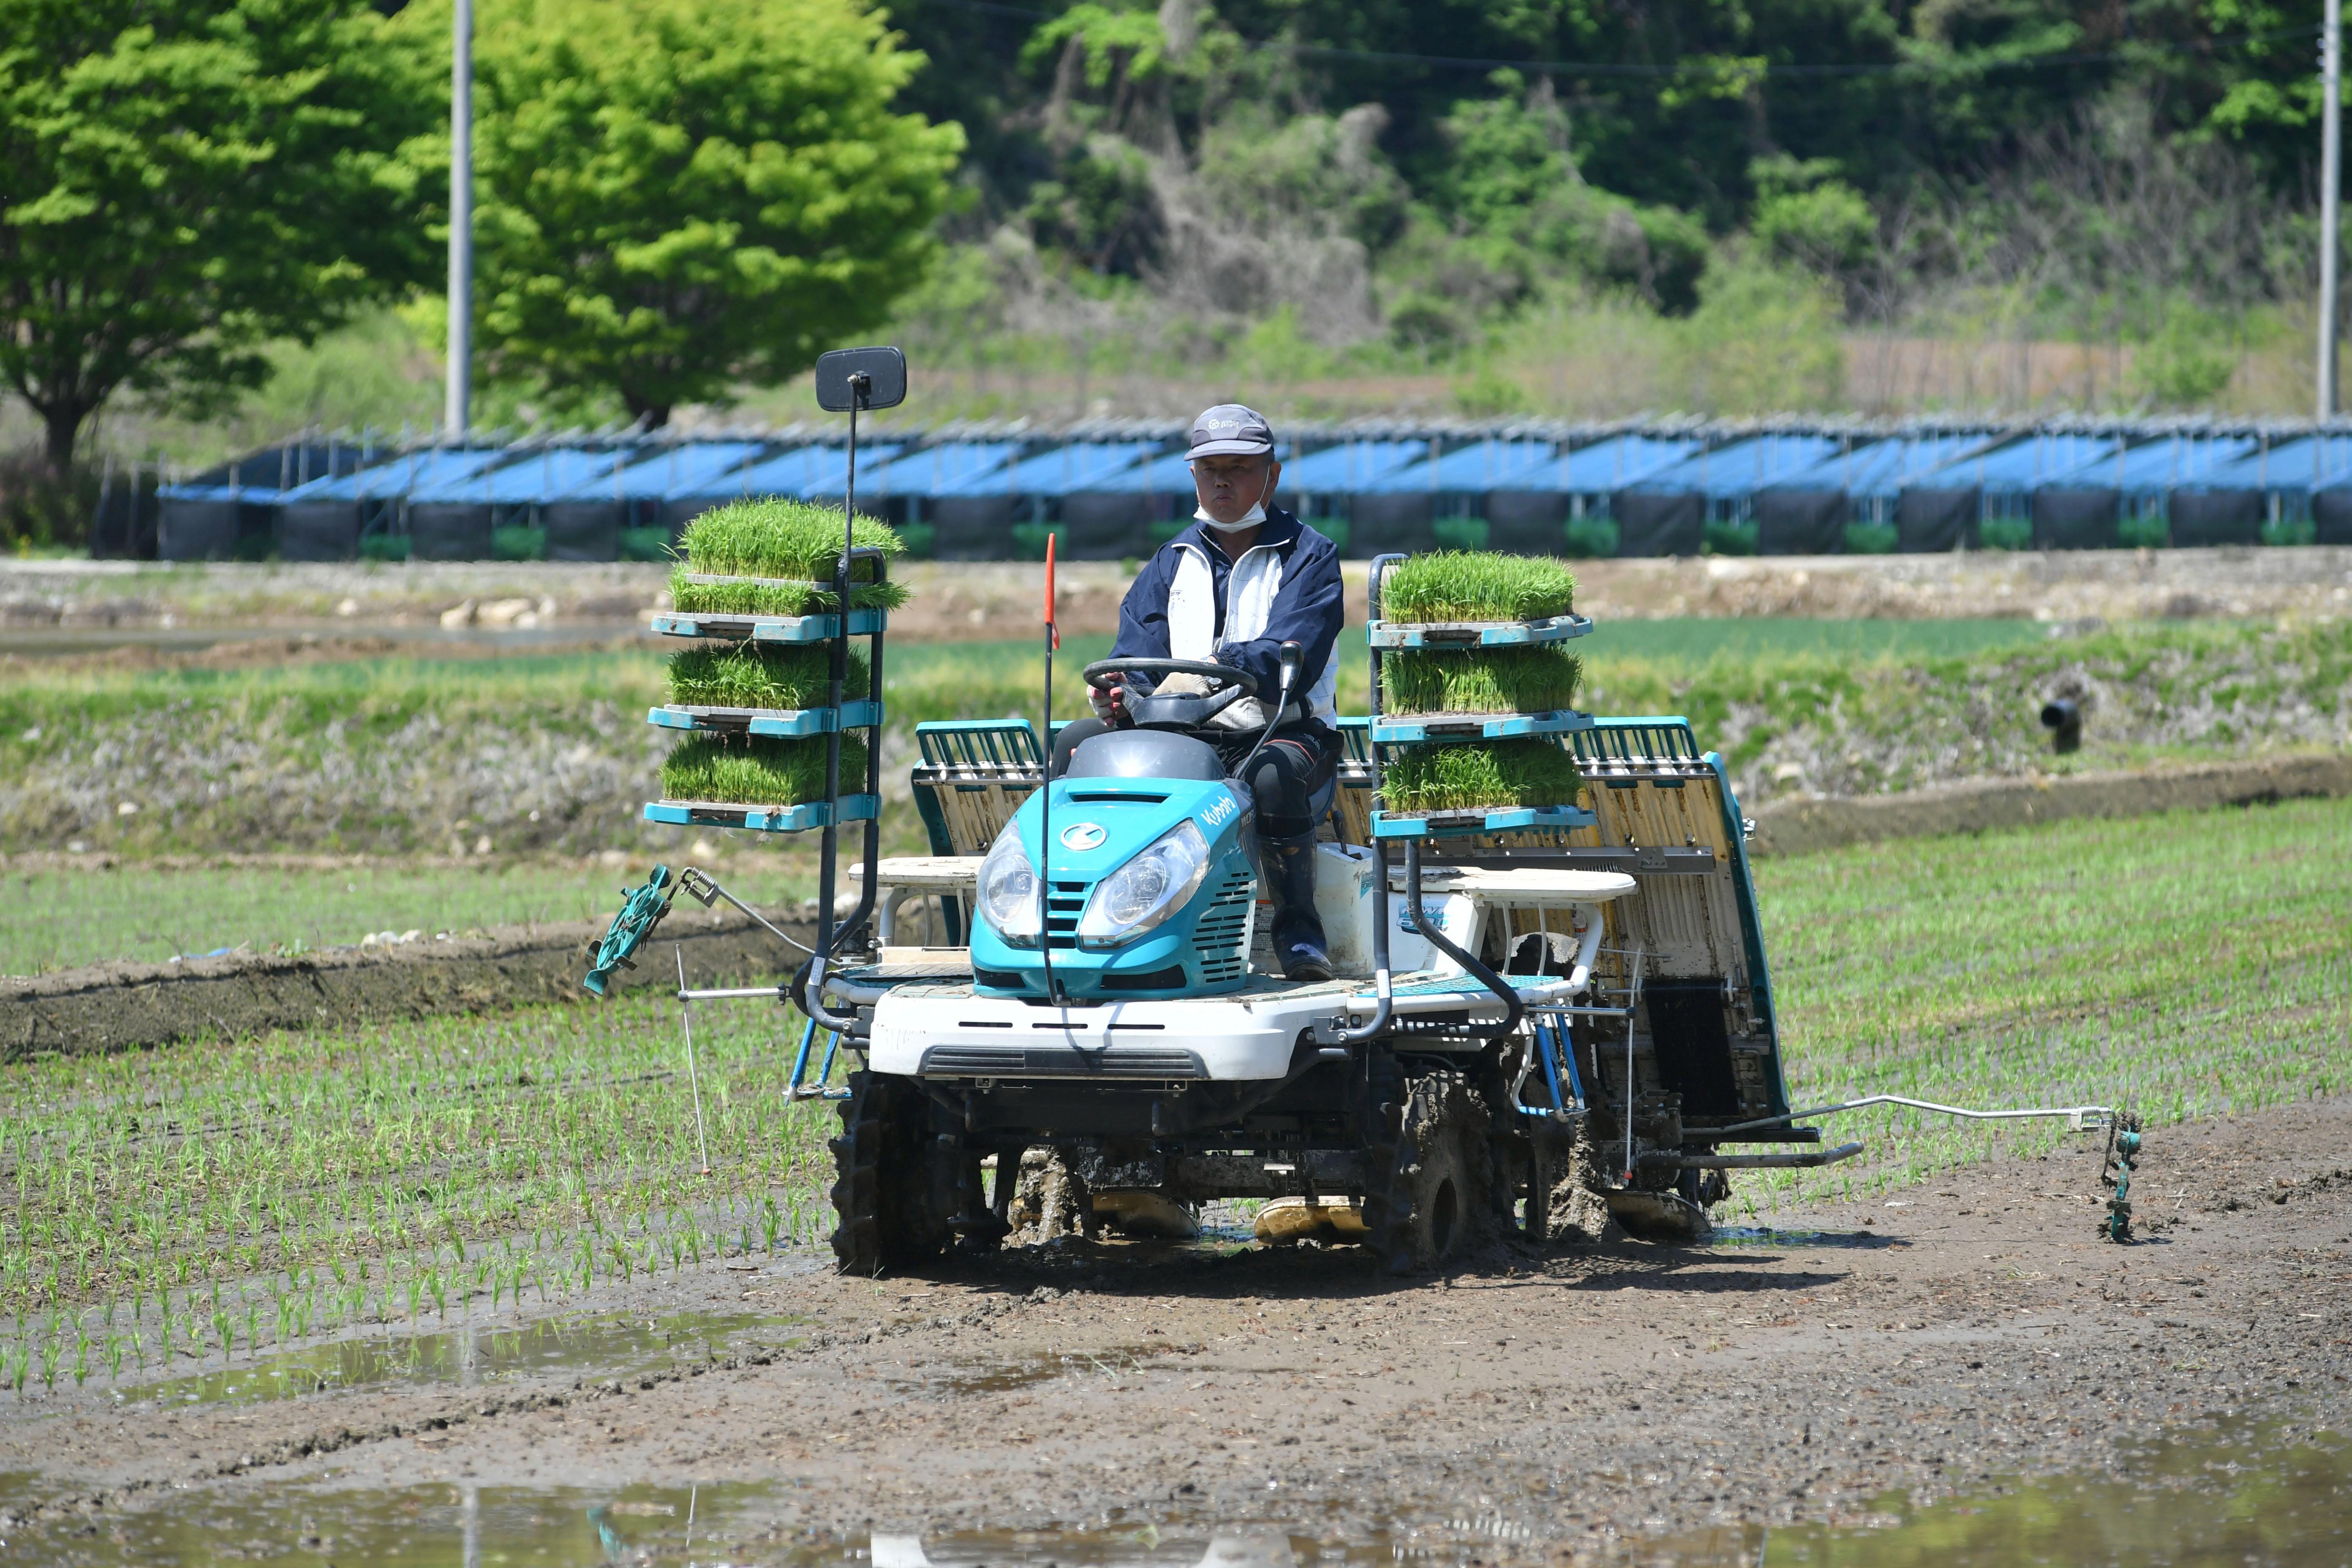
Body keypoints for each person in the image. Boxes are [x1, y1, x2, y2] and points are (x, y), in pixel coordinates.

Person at [1049, 405, 1344, 983]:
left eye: (1239, 468)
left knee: (1271, 777)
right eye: (1210, 469)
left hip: (1280, 730)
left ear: (1273, 475)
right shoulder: (1169, 560)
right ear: (1193, 476)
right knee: (1074, 746)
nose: (1222, 481)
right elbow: (1135, 655)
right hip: (1180, 736)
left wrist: (1215, 667)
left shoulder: (1311, 556)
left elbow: (1294, 654)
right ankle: (1070, 921)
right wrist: (1118, 694)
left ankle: (1300, 933)